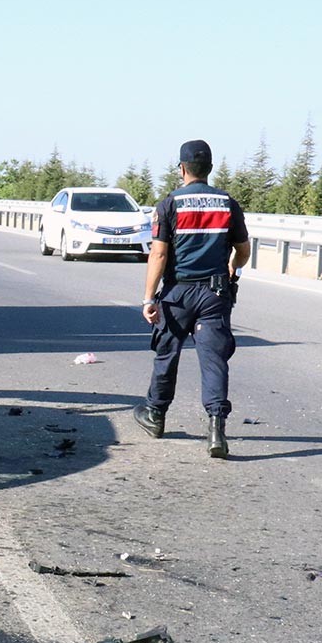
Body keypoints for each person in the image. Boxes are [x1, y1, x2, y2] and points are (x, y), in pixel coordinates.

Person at [133, 139, 250, 458]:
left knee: (166, 352)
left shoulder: (169, 204)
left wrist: (148, 298)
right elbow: (243, 251)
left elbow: (158, 253)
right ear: (209, 169)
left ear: (182, 169)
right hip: (215, 293)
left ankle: (155, 415)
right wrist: (231, 268)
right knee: (213, 359)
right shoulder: (228, 203)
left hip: (178, 293)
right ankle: (216, 429)